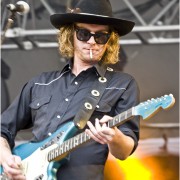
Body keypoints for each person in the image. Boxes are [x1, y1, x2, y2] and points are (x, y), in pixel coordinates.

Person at [0, 0, 140, 179]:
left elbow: (124, 151)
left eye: (101, 36)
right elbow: (3, 129)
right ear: (70, 34)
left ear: (109, 41)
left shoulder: (122, 84)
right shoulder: (41, 83)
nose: (92, 42)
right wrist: (7, 160)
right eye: (83, 34)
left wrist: (114, 137)